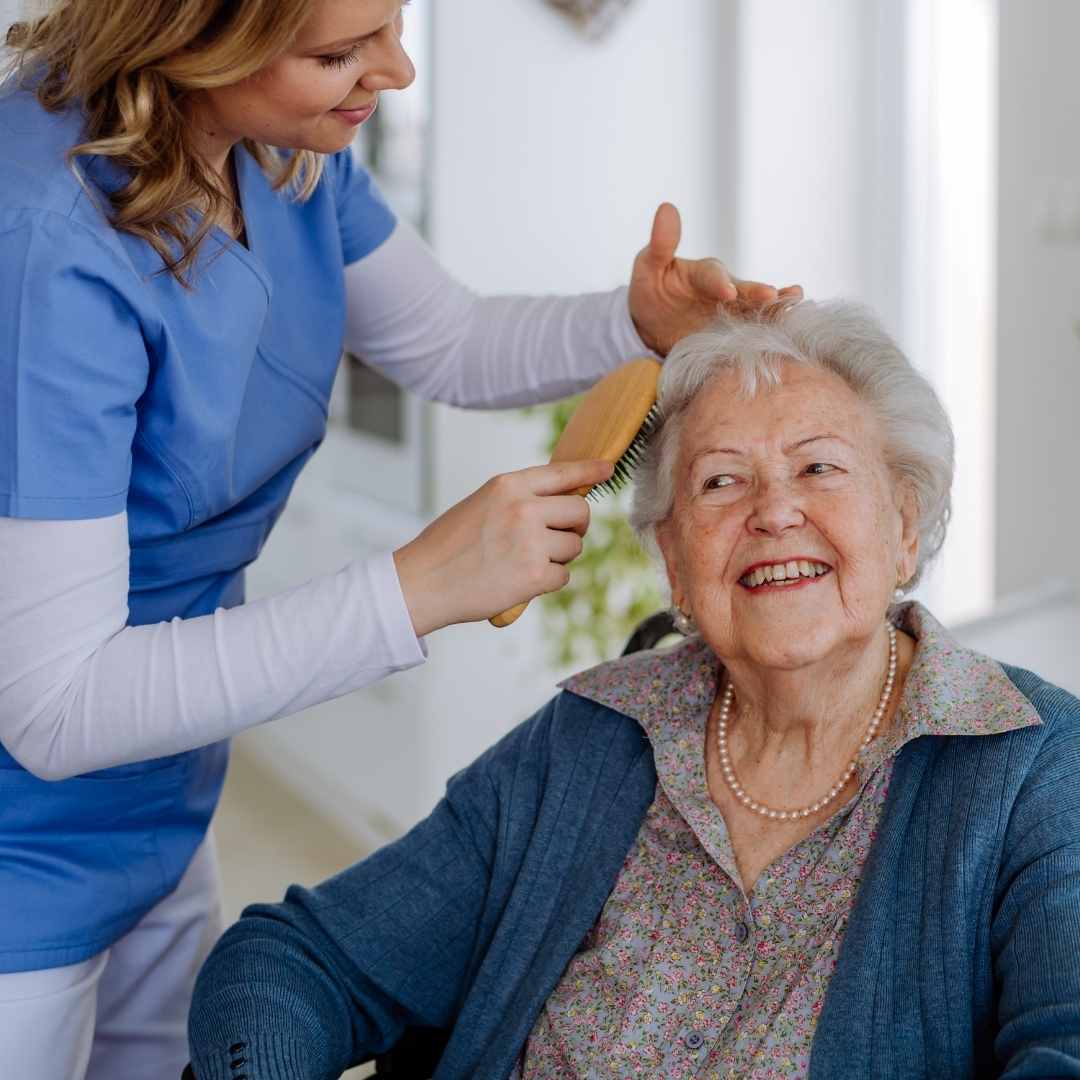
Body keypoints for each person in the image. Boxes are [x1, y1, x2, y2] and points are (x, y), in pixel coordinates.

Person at [0, 0, 798, 1076]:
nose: (399, 70)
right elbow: (54, 708)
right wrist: (417, 588)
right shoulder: (44, 242)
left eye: (393, 22)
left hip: (156, 785)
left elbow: (453, 342)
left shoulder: (276, 154)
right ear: (193, 37)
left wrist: (635, 324)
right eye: (338, 53)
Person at [186, 300, 1080, 1080]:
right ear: (674, 566)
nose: (773, 512)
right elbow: (300, 960)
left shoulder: (1034, 770)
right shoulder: (590, 740)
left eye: (819, 467)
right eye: (721, 481)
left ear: (905, 521)